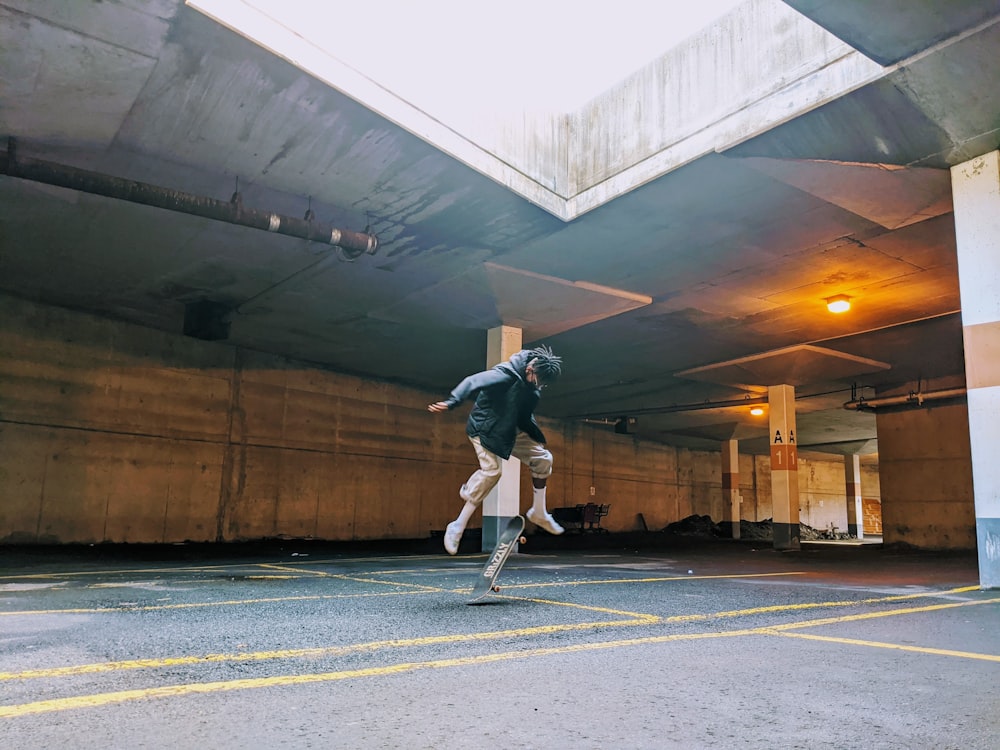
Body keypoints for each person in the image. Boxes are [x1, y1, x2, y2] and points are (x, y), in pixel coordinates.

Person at [428, 345, 566, 554]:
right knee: (493, 472)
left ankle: (539, 511)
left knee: (544, 459)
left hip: (510, 429)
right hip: (485, 429)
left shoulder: (532, 389)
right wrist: (452, 401)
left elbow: (524, 416)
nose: (538, 386)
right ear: (531, 369)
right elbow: (472, 381)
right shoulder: (504, 375)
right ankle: (457, 526)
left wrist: (536, 437)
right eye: (538, 380)